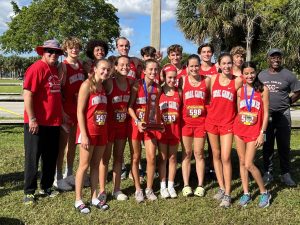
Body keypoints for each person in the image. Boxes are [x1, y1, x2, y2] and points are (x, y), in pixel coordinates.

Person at [23, 39, 64, 205]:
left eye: (56, 52)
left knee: (50, 157)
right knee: (33, 158)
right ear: (43, 52)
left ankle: (46, 186)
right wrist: (32, 118)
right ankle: (29, 191)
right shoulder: (36, 68)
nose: (53, 55)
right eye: (50, 51)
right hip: (37, 122)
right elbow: (28, 95)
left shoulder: (54, 69)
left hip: (53, 122)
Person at [205, 53, 243, 208]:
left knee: (226, 157)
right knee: (216, 155)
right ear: (218, 65)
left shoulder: (237, 81)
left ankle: (228, 194)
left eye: (229, 63)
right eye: (224, 63)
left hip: (228, 123)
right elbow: (206, 97)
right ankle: (221, 187)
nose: (227, 66)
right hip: (212, 122)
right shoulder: (212, 79)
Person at [258, 48, 300, 186]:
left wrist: (288, 101)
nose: (276, 60)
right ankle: (268, 173)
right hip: (266, 116)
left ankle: (285, 174)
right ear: (268, 59)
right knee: (267, 145)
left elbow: (298, 91)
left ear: (281, 59)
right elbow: (256, 91)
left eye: (278, 57)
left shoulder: (288, 75)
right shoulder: (261, 75)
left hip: (283, 115)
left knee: (284, 145)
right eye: (273, 57)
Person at [233, 61, 271, 208]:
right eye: (246, 73)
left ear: (256, 73)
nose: (249, 76)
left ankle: (264, 192)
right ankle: (246, 192)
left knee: (249, 163)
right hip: (240, 130)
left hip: (254, 131)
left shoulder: (263, 90)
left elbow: (266, 113)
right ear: (242, 74)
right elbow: (239, 111)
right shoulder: (239, 91)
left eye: (252, 73)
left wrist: (262, 133)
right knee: (242, 162)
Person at [74, 59, 110, 214]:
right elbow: (80, 111)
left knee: (96, 165)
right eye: (103, 69)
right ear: (95, 69)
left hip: (102, 131)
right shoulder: (86, 85)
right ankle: (78, 200)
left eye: (108, 70)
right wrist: (84, 134)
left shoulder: (104, 87)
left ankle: (94, 197)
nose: (105, 72)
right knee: (84, 166)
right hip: (88, 132)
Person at [128, 59, 162, 203]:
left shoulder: (158, 88)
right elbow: (129, 107)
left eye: (156, 69)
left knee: (151, 157)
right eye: (151, 69)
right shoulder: (137, 85)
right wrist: (137, 121)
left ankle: (149, 188)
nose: (153, 72)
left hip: (150, 126)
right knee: (136, 158)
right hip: (136, 125)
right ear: (144, 71)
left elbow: (156, 109)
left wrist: (156, 121)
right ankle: (138, 189)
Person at [55, 37, 85, 191]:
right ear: (65, 49)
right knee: (62, 146)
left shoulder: (80, 65)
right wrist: (61, 112)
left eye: (77, 47)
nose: (75, 50)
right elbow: (57, 92)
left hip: (77, 111)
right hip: (66, 111)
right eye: (71, 47)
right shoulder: (63, 66)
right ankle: (58, 176)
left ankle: (69, 173)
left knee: (73, 144)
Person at [101, 56, 133, 201]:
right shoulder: (109, 82)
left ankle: (117, 189)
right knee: (104, 159)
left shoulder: (131, 83)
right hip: (108, 126)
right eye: (122, 65)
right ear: (115, 66)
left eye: (127, 65)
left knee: (118, 157)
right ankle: (101, 190)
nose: (125, 67)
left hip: (122, 126)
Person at [179, 54, 210, 197]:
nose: (194, 68)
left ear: (200, 66)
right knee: (186, 154)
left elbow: (209, 100)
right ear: (187, 67)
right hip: (186, 123)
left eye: (196, 65)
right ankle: (186, 184)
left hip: (200, 123)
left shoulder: (207, 80)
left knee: (199, 153)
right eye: (191, 66)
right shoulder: (183, 80)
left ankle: (200, 184)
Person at [157, 64, 182, 198]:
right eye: (169, 77)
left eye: (174, 78)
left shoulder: (179, 92)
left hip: (175, 130)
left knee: (172, 158)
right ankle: (162, 186)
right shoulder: (159, 91)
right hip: (162, 131)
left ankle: (171, 185)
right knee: (163, 158)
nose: (172, 80)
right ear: (164, 78)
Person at [197, 43, 218, 179]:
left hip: (213, 109)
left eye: (209, 52)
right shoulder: (194, 68)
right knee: (198, 141)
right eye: (204, 52)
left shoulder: (217, 68)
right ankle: (199, 167)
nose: (206, 54)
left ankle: (212, 167)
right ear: (200, 54)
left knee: (212, 142)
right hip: (198, 109)